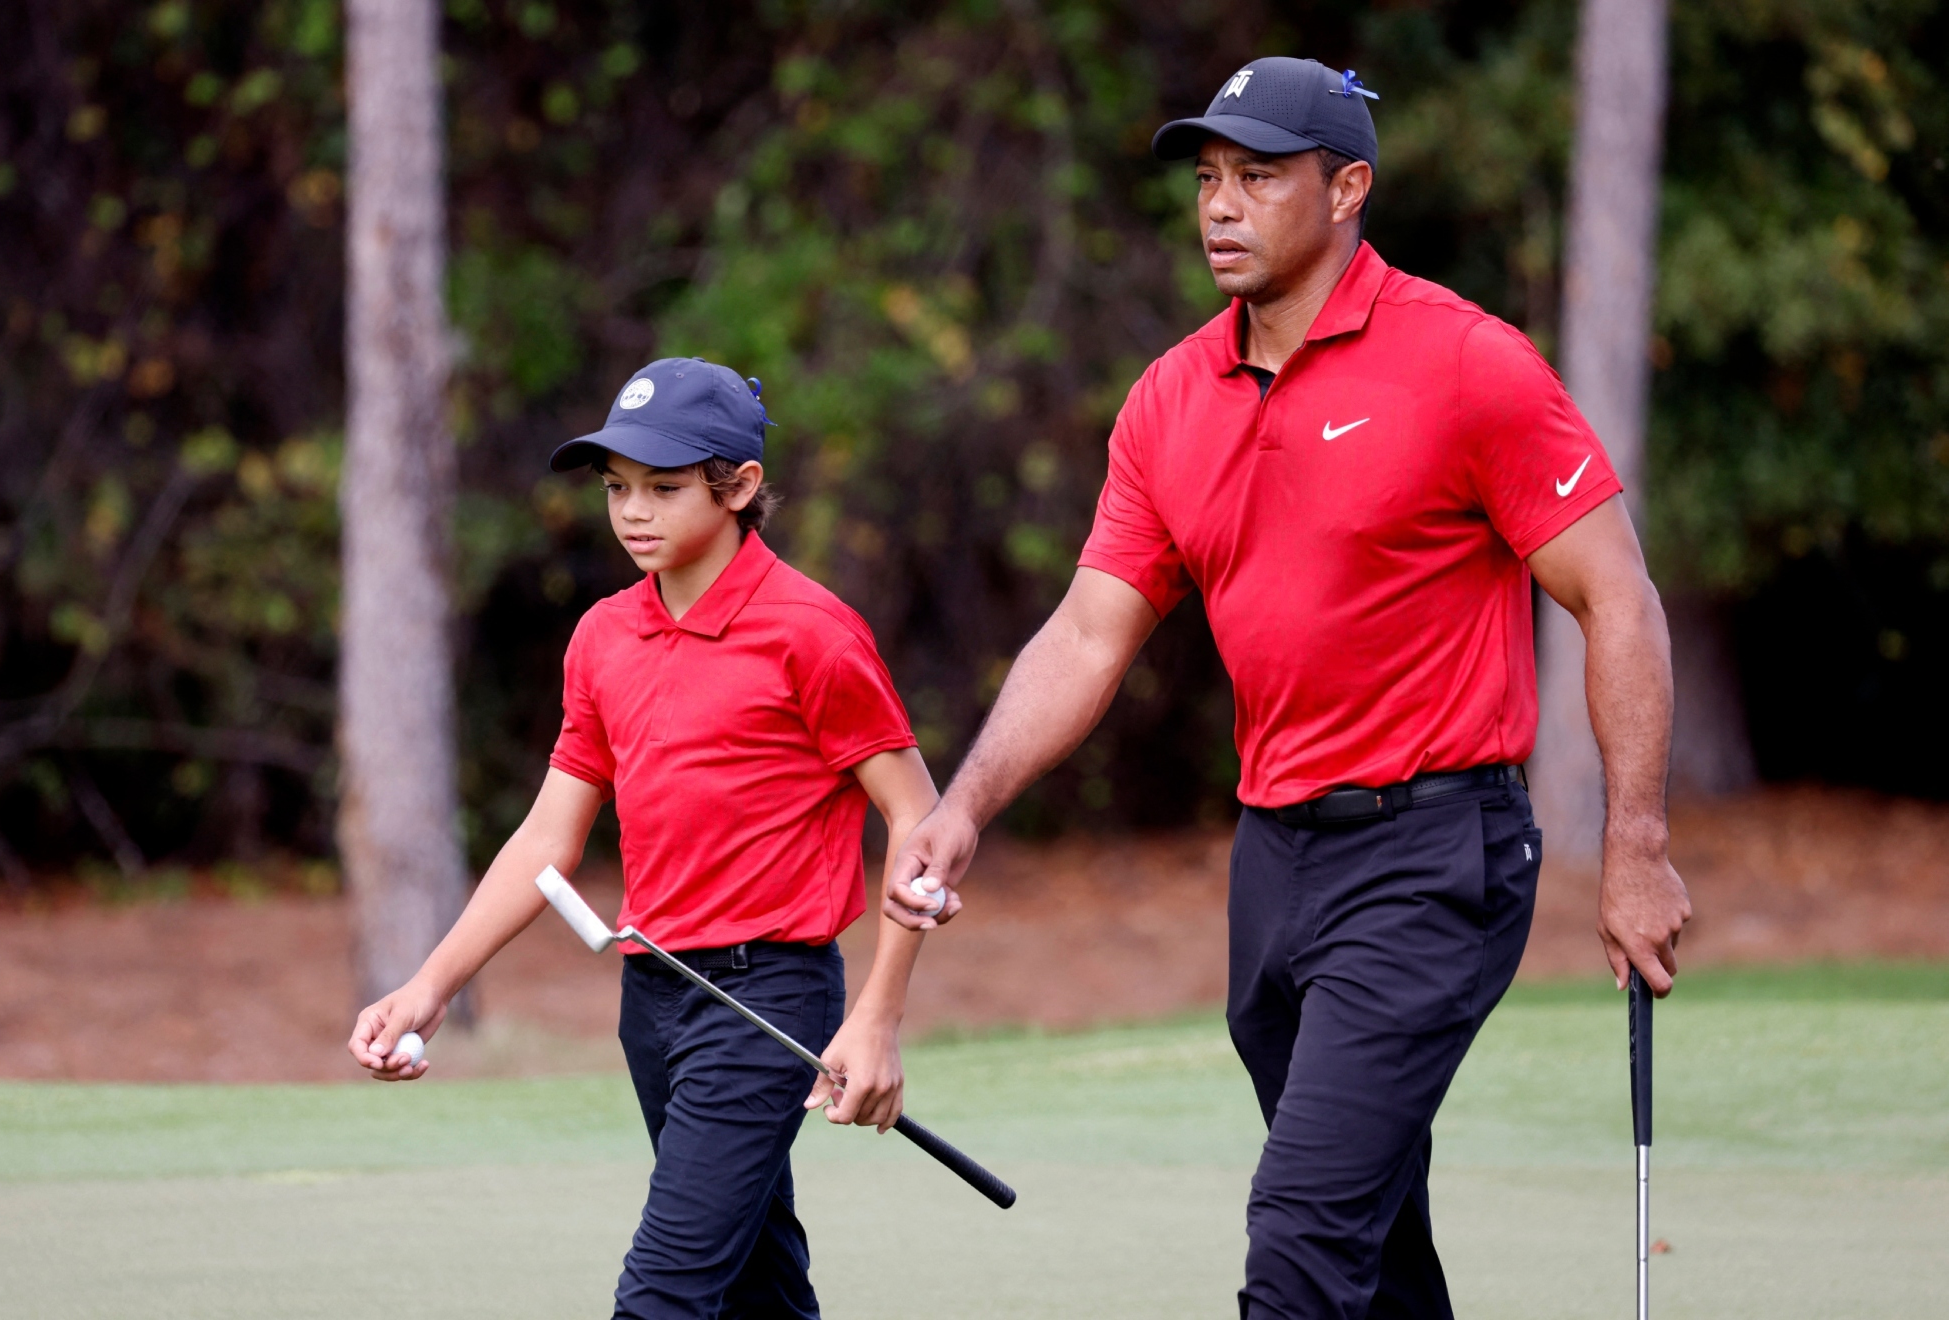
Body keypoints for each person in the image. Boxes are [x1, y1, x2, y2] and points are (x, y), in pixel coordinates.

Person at [885, 57, 1694, 1320]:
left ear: (1348, 188)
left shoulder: (1467, 365)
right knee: (1367, 1240)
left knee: (1302, 1234)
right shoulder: (1168, 401)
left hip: (1435, 853)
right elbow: (1091, 634)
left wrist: (1636, 843)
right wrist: (968, 804)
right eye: (1209, 180)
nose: (1220, 206)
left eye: (1257, 179)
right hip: (1275, 864)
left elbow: (1615, 597)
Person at [348, 356, 938, 1320]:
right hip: (657, 998)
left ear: (740, 486)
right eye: (617, 488)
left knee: (662, 1294)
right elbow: (549, 834)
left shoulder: (812, 633)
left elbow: (918, 818)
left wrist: (876, 1015)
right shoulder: (602, 638)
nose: (634, 512)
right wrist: (429, 989)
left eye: (663, 488)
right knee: (755, 1282)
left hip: (771, 999)